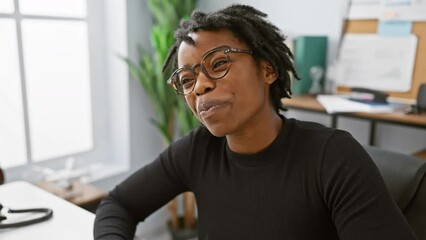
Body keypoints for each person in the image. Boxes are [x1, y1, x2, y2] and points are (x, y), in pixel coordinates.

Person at [94, 4, 416, 240]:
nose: (200, 87)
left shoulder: (331, 157)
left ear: (267, 70)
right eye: (187, 79)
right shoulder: (198, 150)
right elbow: (118, 204)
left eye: (219, 63)